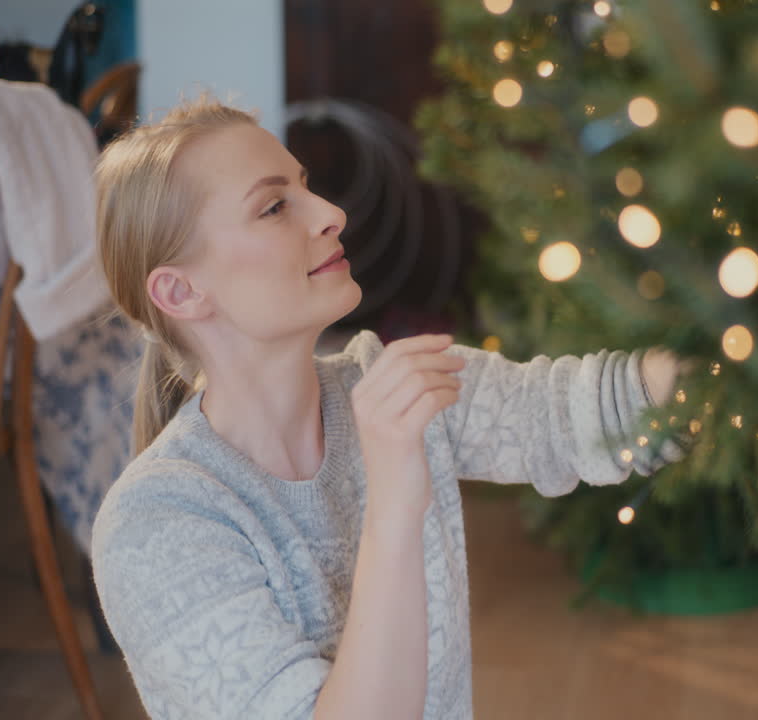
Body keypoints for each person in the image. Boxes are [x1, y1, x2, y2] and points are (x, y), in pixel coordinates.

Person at [90, 98, 684, 720]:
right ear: (181, 291)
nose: (331, 214)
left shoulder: (390, 381)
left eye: (305, 188)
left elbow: (585, 413)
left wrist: (742, 358)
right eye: (273, 207)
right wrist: (395, 499)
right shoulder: (152, 528)